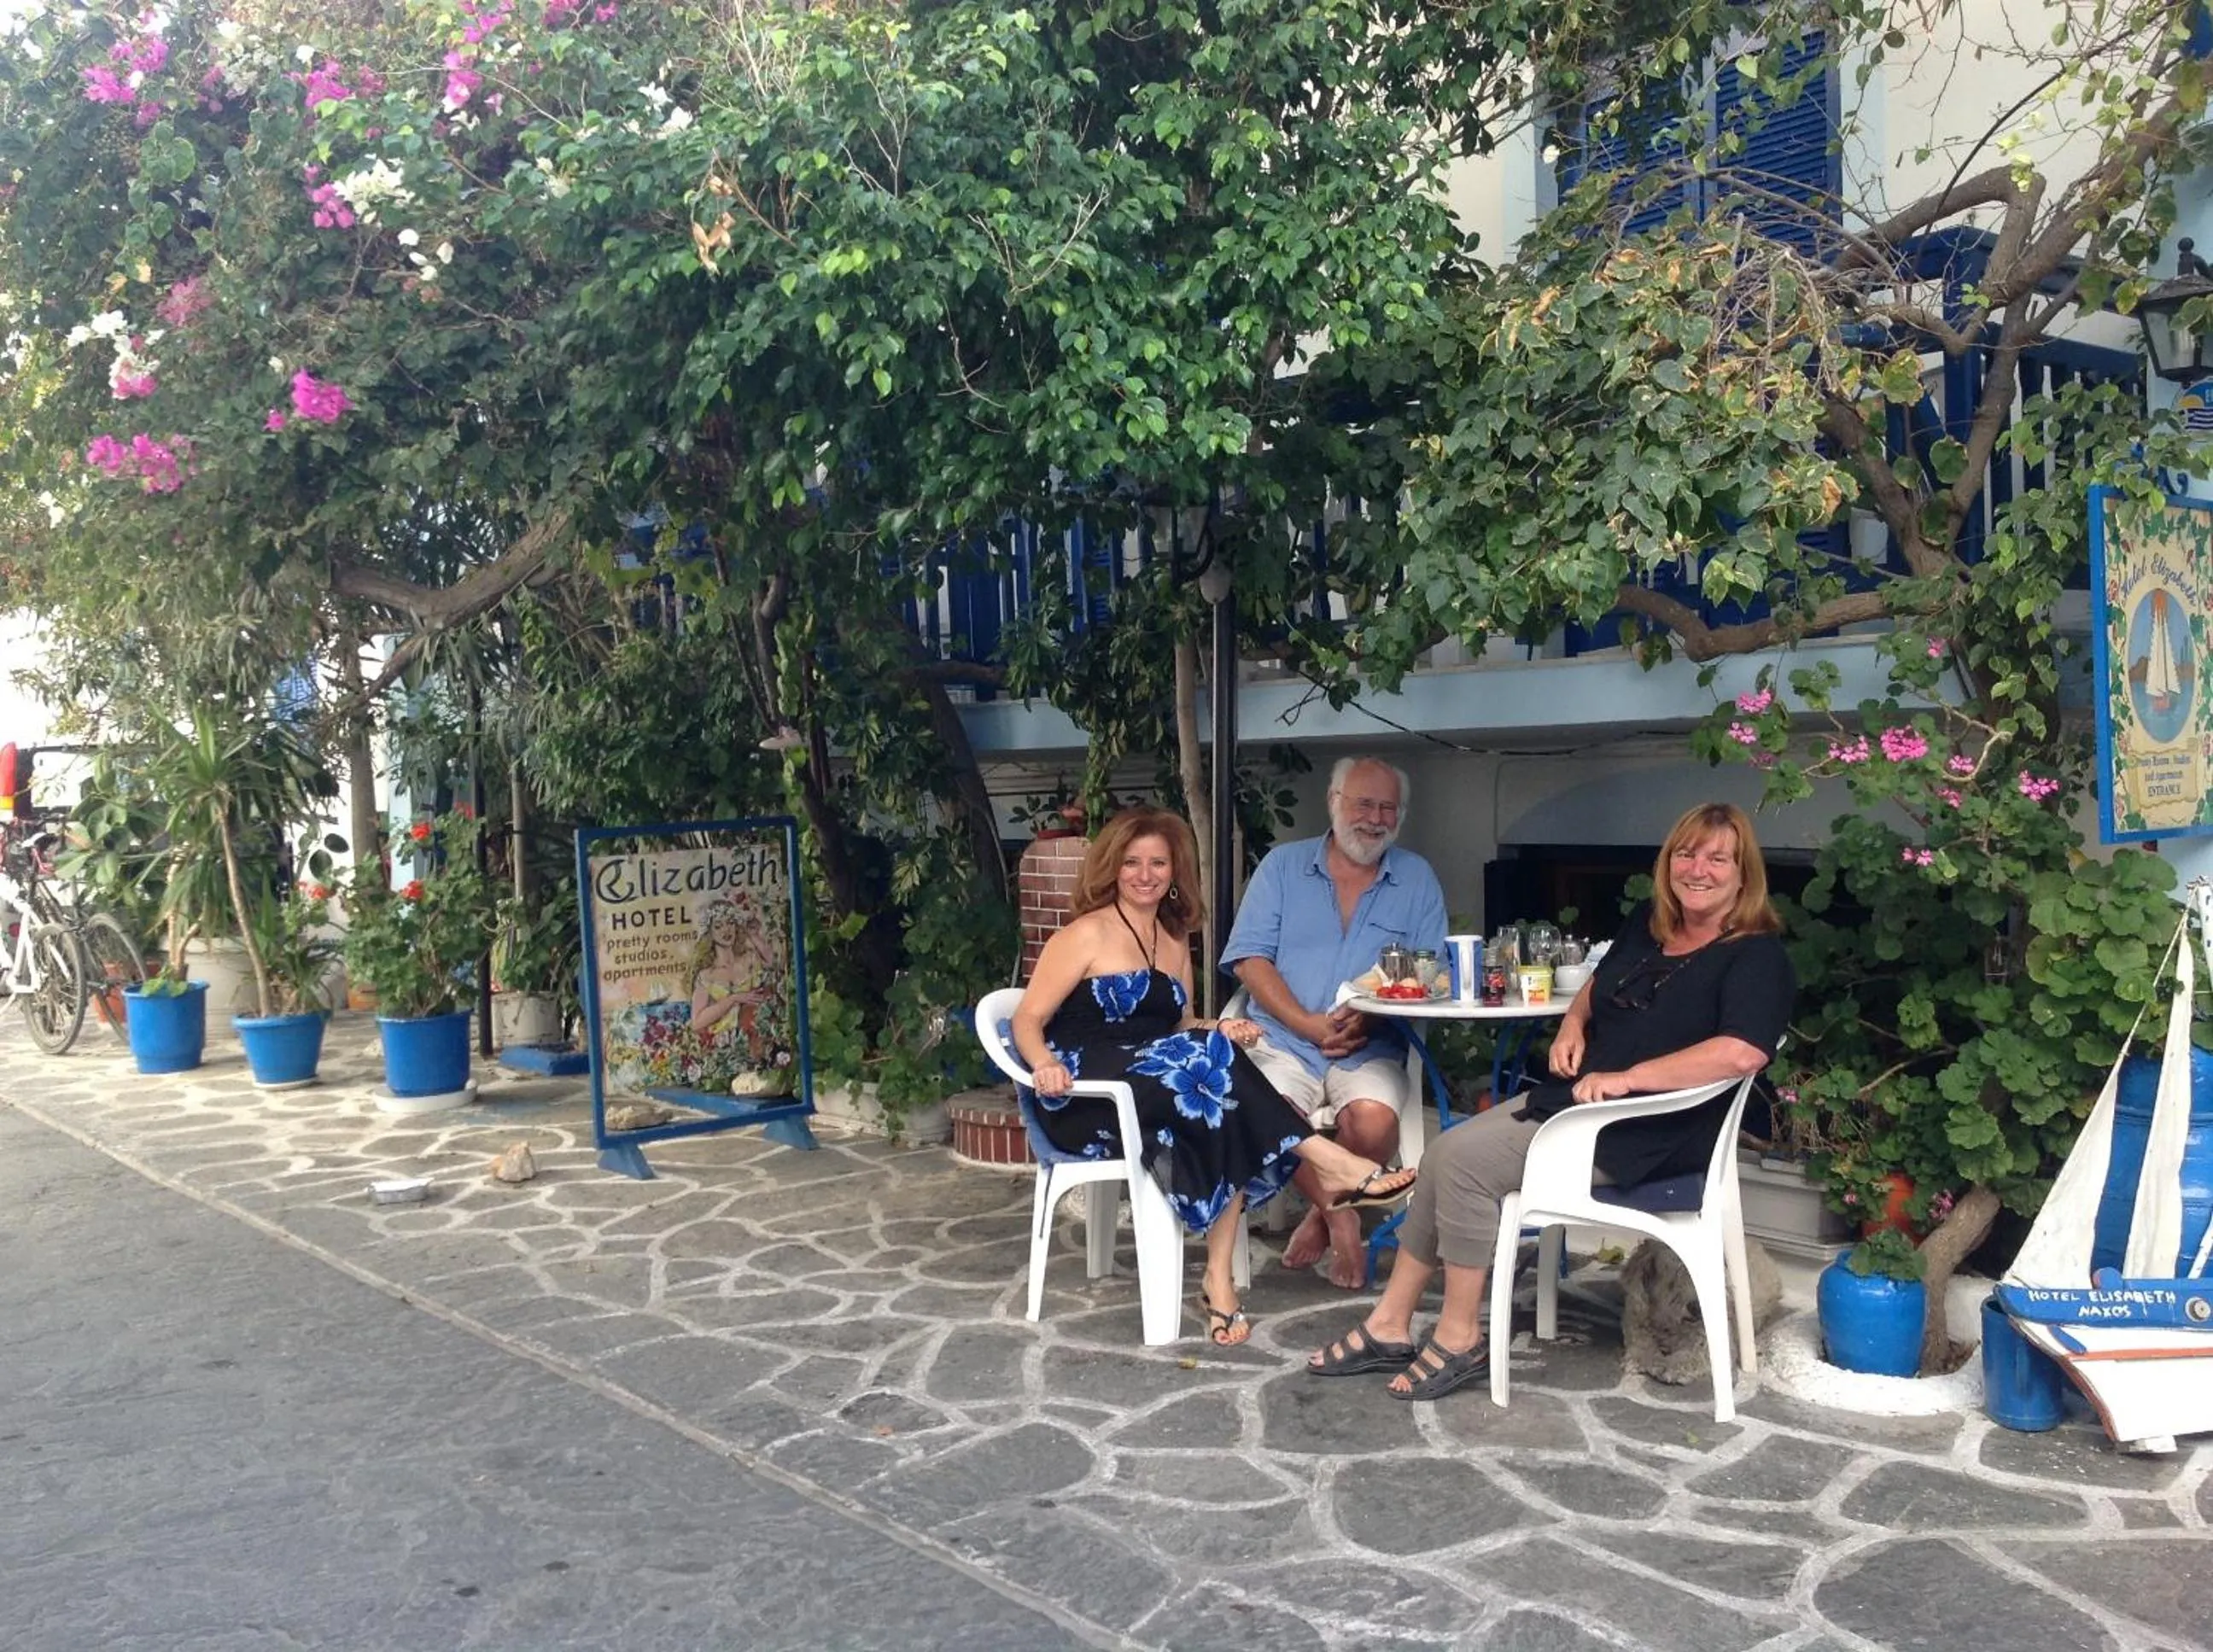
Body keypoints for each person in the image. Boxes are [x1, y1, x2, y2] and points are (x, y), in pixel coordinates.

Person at [1305, 801, 1795, 1401]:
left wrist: (1630, 1078)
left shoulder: (1756, 955)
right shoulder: (1652, 925)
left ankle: (1458, 1335)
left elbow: (1741, 1052)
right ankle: (1389, 1322)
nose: (1698, 869)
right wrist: (1573, 1024)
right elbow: (1596, 981)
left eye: (1718, 858)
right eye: (1687, 853)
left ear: (1744, 875)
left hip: (1646, 1132)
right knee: (1444, 1153)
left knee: (1461, 1163)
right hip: (1580, 1107)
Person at [1012, 807, 1418, 1346]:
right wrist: (1043, 1063)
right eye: (1132, 862)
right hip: (1090, 1095)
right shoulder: (1085, 934)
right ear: (1112, 868)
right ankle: (1332, 1162)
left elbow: (1176, 1025)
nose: (1145, 874)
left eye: (1158, 862)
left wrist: (1225, 1027)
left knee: (1219, 1097)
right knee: (1210, 1080)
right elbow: (1027, 1018)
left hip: (1159, 1085)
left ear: (1174, 870)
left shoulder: (1173, 938)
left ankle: (1218, 1278)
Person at [1220, 756, 1448, 1288]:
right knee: (1268, 1111)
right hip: (1281, 1040)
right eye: (1363, 803)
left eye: (1388, 807)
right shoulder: (1282, 867)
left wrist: (1367, 1019)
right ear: (1333, 803)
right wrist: (1305, 1024)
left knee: (1371, 1123)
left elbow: (1429, 970)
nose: (1375, 818)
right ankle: (1342, 1216)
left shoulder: (1416, 878)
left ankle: (1318, 1216)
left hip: (1370, 1044)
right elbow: (1250, 958)